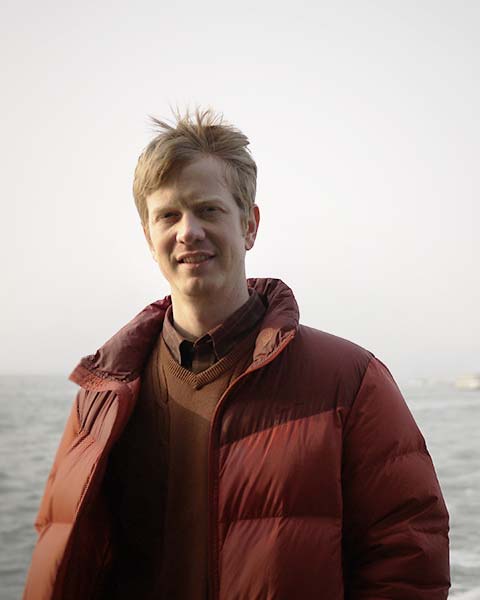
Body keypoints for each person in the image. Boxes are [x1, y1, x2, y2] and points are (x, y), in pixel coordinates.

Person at [23, 109, 450, 600]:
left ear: (250, 225)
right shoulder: (103, 395)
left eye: (208, 210)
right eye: (168, 215)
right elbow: (59, 558)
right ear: (148, 236)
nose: (188, 231)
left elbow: (406, 561)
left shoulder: (351, 381)